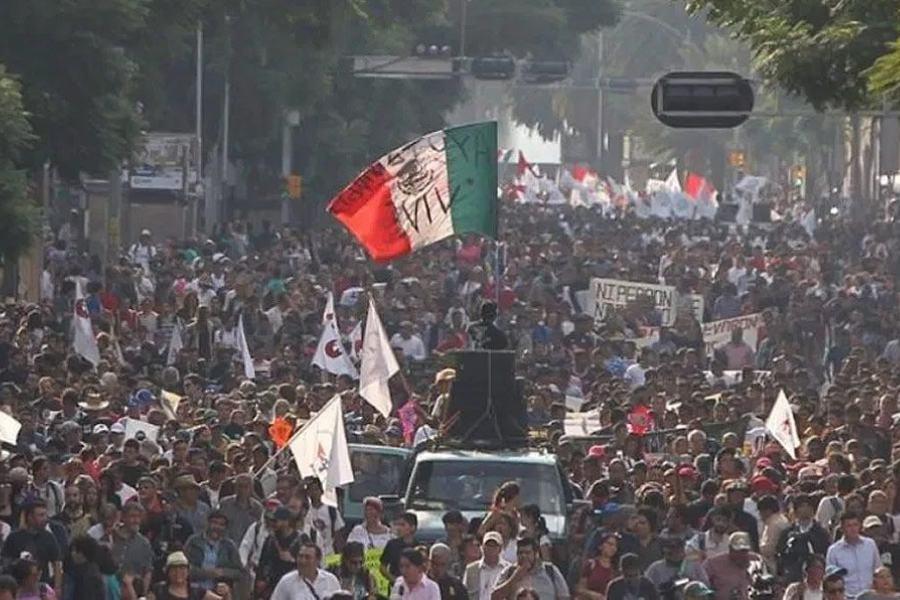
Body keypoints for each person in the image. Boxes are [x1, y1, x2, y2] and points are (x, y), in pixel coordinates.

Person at [1, 501, 62, 592]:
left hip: (41, 588)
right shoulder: (14, 537)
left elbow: (56, 564)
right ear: (30, 517)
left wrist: (57, 588)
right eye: (41, 515)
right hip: (18, 588)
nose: (45, 518)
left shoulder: (49, 537)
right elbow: (5, 562)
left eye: (45, 515)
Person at [182, 511, 242, 594]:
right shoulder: (193, 541)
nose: (217, 527)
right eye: (214, 523)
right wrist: (206, 573)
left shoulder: (229, 546)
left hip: (219, 591)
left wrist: (222, 572)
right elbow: (183, 567)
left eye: (221, 525)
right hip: (194, 589)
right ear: (207, 523)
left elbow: (239, 572)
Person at [491, 537, 569, 600]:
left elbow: (564, 596)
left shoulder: (550, 571)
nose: (524, 556)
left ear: (536, 554)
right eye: (520, 553)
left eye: (527, 553)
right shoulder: (509, 572)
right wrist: (516, 576)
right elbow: (494, 597)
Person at [826, 511, 881, 598]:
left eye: (855, 525)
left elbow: (877, 569)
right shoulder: (834, 551)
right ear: (842, 528)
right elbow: (831, 578)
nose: (853, 529)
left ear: (860, 526)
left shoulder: (870, 544)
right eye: (849, 526)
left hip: (870, 595)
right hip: (847, 596)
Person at [269, 541, 340, 600]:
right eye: (300, 556)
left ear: (317, 560)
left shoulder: (331, 580)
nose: (303, 561)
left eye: (307, 557)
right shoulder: (286, 581)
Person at [702, 532, 761, 600]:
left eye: (744, 551)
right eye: (737, 551)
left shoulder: (756, 560)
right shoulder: (712, 563)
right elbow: (700, 585)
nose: (741, 555)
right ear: (730, 549)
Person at [147, 551, 225, 600]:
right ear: (168, 572)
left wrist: (226, 592)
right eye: (174, 569)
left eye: (182, 568)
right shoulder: (158, 590)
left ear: (188, 571)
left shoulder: (197, 592)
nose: (178, 572)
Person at [645, 535, 709, 591]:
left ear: (683, 550)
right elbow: (645, 587)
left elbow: (705, 585)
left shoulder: (694, 565)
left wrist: (691, 582)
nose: (674, 551)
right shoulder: (655, 567)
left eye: (677, 548)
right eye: (670, 548)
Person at [463, 532, 509, 600]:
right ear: (482, 547)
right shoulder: (471, 569)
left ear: (500, 549)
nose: (491, 549)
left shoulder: (508, 568)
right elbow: (464, 592)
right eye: (488, 545)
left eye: (494, 546)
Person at [575, 531, 619, 599]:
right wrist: (592, 594)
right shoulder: (591, 564)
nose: (613, 548)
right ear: (600, 546)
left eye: (615, 546)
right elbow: (580, 589)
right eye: (610, 544)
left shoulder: (615, 569)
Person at [381, 512, 418, 580]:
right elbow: (382, 566)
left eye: (403, 525)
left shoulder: (418, 546)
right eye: (398, 525)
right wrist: (394, 580)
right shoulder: (392, 544)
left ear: (412, 527)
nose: (399, 528)